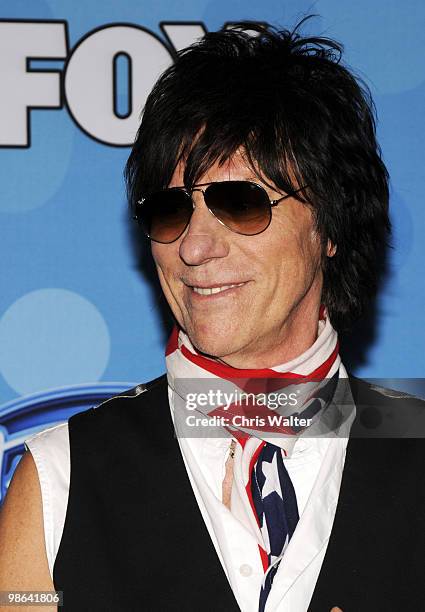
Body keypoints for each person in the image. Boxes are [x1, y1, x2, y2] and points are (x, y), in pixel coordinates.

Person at [0, 19, 424, 612]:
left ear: (329, 223)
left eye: (240, 203)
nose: (195, 248)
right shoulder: (60, 478)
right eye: (171, 210)